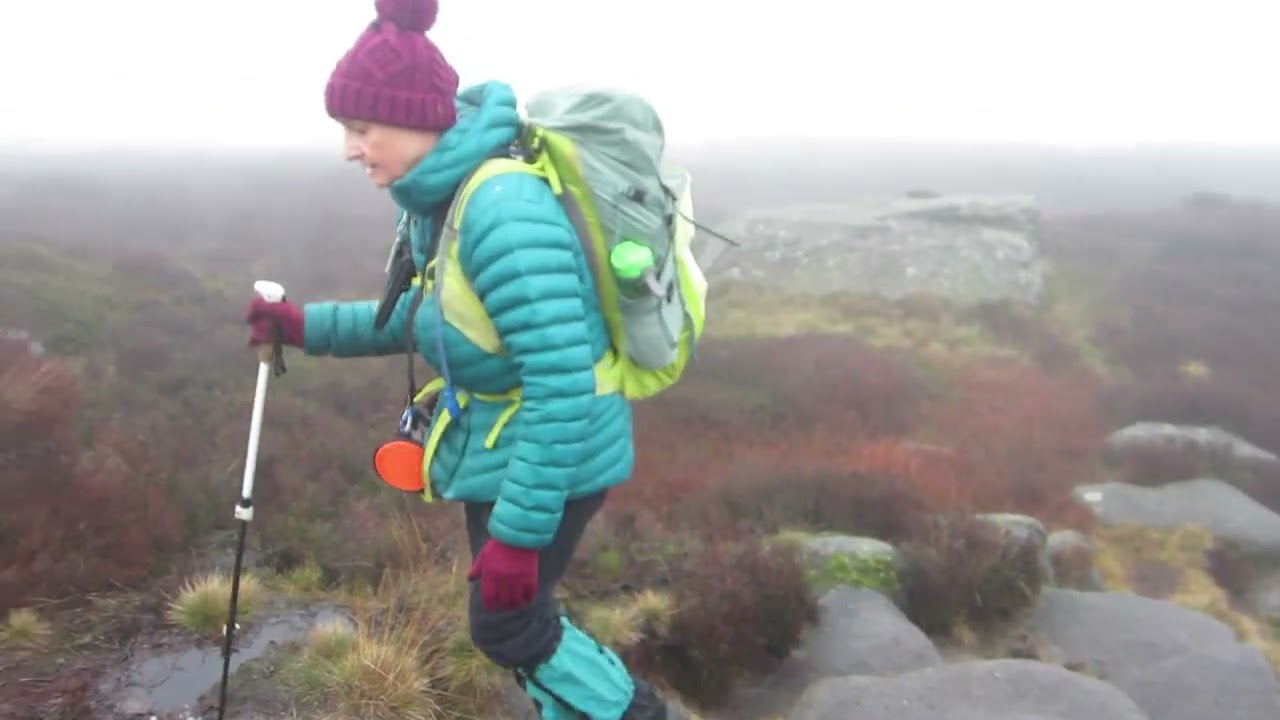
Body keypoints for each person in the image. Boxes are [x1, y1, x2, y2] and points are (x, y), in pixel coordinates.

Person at [243, 1, 695, 718]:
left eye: (361, 130)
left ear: (416, 118)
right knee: (514, 624)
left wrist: (517, 539)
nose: (350, 150)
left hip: (553, 454)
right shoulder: (440, 199)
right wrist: (303, 326)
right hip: (505, 446)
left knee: (509, 624)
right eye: (346, 131)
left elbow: (561, 384)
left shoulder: (501, 213)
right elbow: (430, 324)